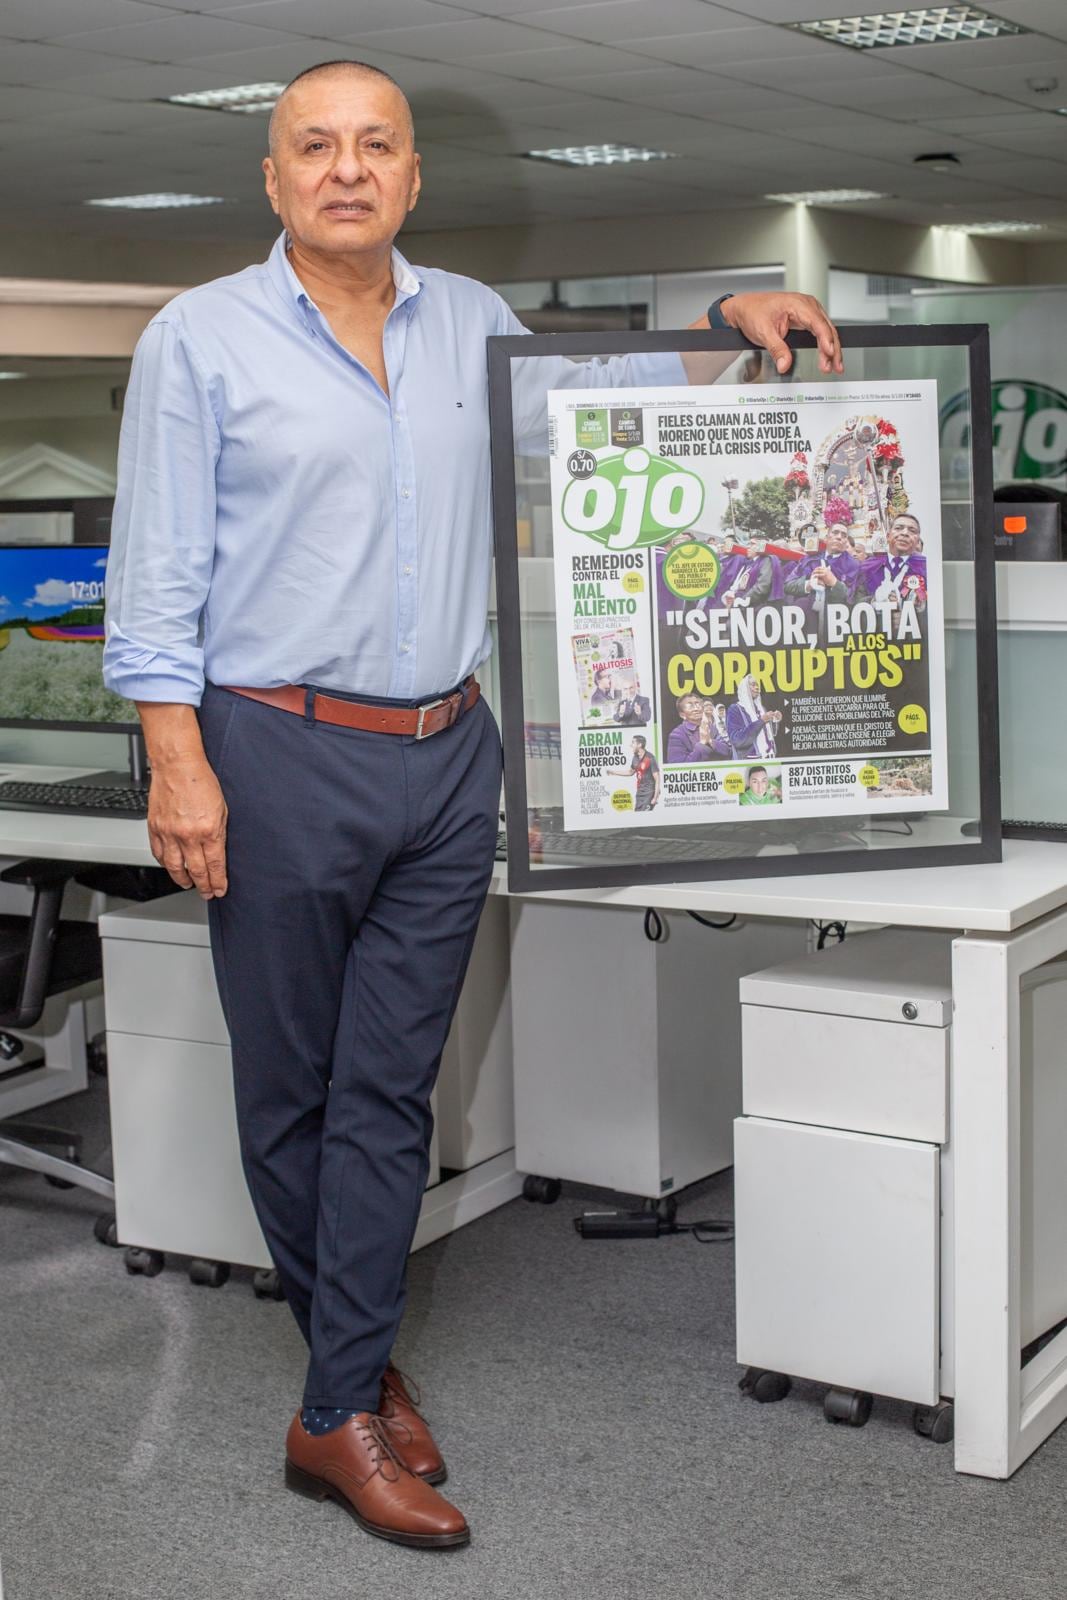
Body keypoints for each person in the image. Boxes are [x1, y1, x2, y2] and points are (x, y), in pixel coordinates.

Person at [101, 56, 843, 1552]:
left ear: (413, 175)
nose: (346, 169)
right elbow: (158, 569)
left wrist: (725, 328)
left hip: (448, 756)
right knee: (290, 1093)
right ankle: (351, 1379)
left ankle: (335, 1397)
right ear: (274, 177)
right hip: (272, 749)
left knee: (388, 1091)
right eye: (314, 146)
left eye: (375, 145)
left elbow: (591, 410)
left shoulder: (473, 324)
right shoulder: (202, 339)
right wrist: (176, 761)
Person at [784, 521, 862, 629]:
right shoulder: (809, 559)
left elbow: (852, 598)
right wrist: (808, 584)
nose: (839, 537)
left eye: (844, 536)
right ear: (826, 538)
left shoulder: (854, 565)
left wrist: (834, 583)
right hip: (804, 620)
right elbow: (788, 585)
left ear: (846, 542)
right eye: (835, 533)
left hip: (835, 623)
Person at [861, 512, 927, 610]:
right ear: (888, 536)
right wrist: (874, 601)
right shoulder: (867, 567)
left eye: (912, 530)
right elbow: (852, 600)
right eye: (898, 528)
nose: (905, 533)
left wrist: (919, 608)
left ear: (917, 541)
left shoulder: (927, 569)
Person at [726, 674, 781, 759]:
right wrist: (761, 721)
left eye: (757, 685)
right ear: (744, 688)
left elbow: (769, 735)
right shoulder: (735, 709)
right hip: (751, 762)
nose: (757, 687)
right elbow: (737, 740)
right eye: (753, 685)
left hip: (770, 757)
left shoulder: (761, 708)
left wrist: (774, 720)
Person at [667, 692, 731, 762]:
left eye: (698, 704)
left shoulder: (711, 727)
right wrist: (702, 743)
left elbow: (728, 752)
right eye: (690, 706)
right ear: (682, 715)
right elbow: (677, 766)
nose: (696, 709)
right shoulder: (677, 735)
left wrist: (711, 741)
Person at [606, 734, 661, 811]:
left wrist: (655, 798)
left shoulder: (650, 758)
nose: (630, 745)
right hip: (639, 793)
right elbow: (630, 772)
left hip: (649, 793)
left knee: (645, 818)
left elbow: (657, 779)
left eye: (633, 743)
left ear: (639, 745)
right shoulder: (635, 757)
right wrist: (614, 772)